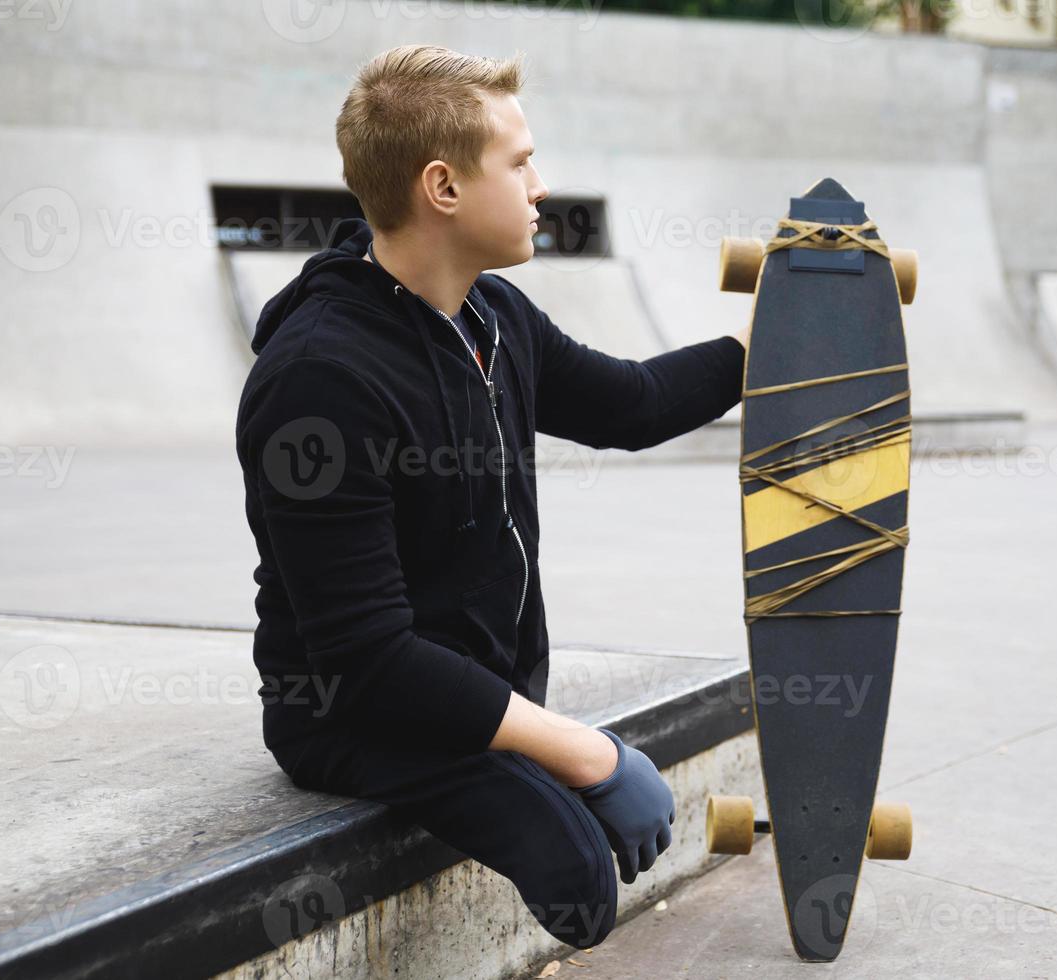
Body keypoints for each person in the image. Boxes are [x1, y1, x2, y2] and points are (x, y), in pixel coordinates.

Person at [234, 44, 749, 949]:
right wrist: (583, 749)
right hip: (351, 712)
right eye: (520, 163)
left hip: (478, 690)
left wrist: (767, 349)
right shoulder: (318, 382)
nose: (541, 186)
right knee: (583, 880)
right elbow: (369, 657)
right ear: (443, 187)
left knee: (585, 854)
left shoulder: (492, 317)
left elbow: (630, 404)